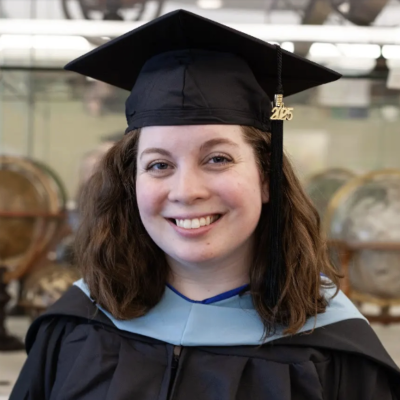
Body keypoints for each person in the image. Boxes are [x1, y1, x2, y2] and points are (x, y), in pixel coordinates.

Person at [10, 9, 400, 400]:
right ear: (132, 184)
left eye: (218, 159)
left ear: (266, 178)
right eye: (159, 165)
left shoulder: (335, 350)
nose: (186, 191)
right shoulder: (76, 325)